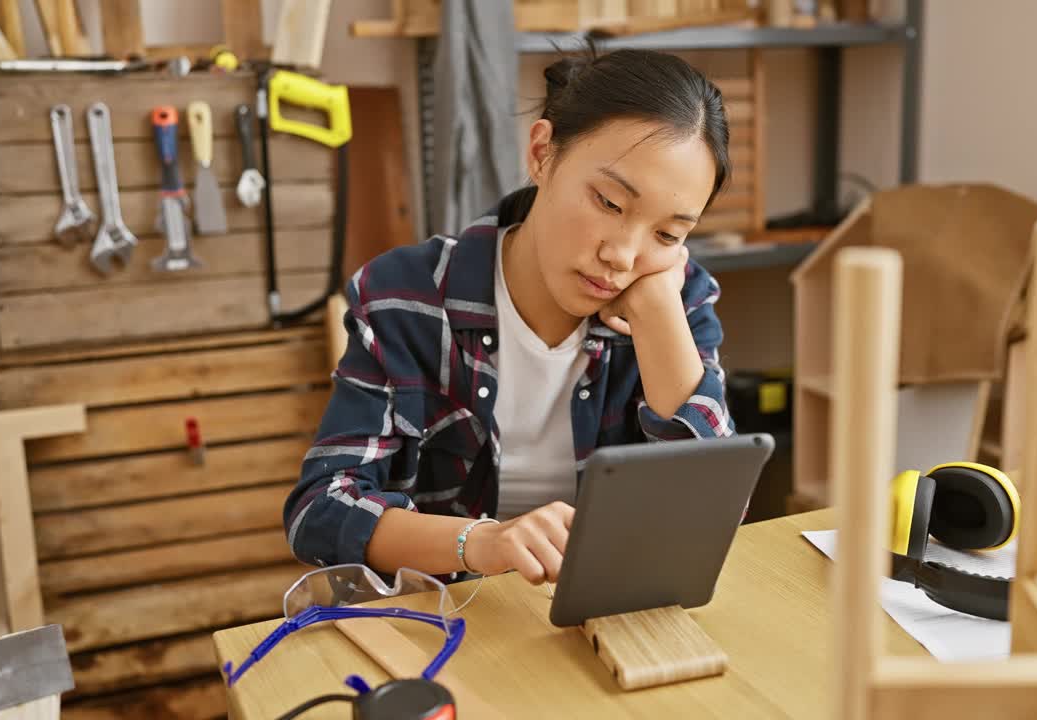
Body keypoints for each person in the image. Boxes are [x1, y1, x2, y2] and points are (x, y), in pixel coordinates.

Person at [284, 46, 736, 588]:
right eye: (610, 204)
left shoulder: (678, 300)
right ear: (542, 153)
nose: (623, 255)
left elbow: (712, 513)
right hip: (450, 618)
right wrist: (483, 542)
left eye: (667, 234)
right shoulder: (406, 297)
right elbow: (320, 510)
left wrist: (659, 312)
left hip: (607, 614)